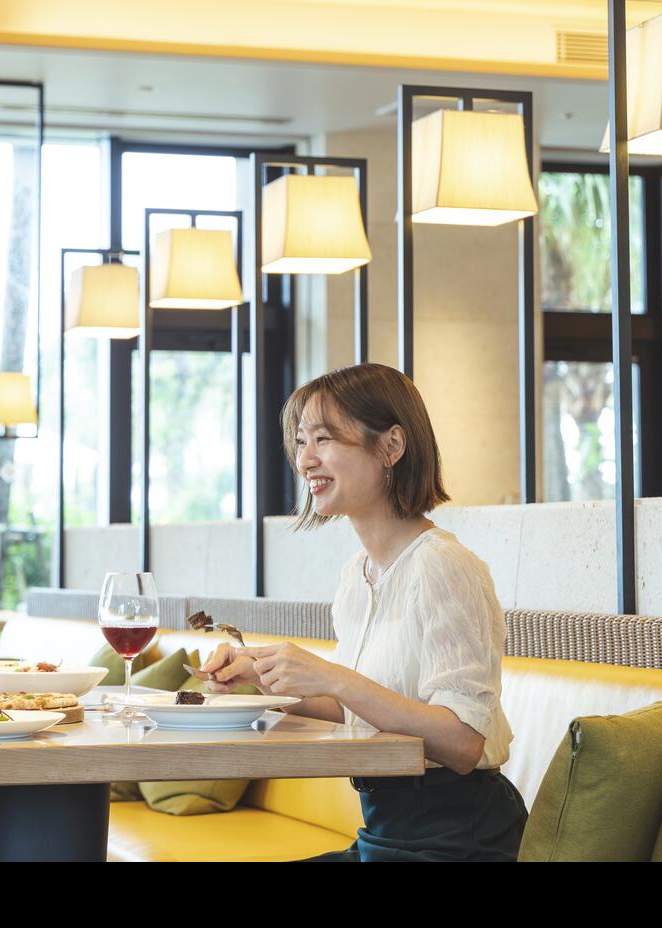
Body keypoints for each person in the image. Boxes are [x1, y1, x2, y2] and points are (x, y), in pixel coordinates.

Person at [202, 363, 526, 861]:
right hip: (386, 828)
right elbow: (357, 710)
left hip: (457, 836)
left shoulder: (444, 565)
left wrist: (332, 677)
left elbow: (463, 743)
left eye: (324, 439)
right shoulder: (357, 576)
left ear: (391, 446)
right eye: (301, 442)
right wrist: (263, 678)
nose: (305, 460)